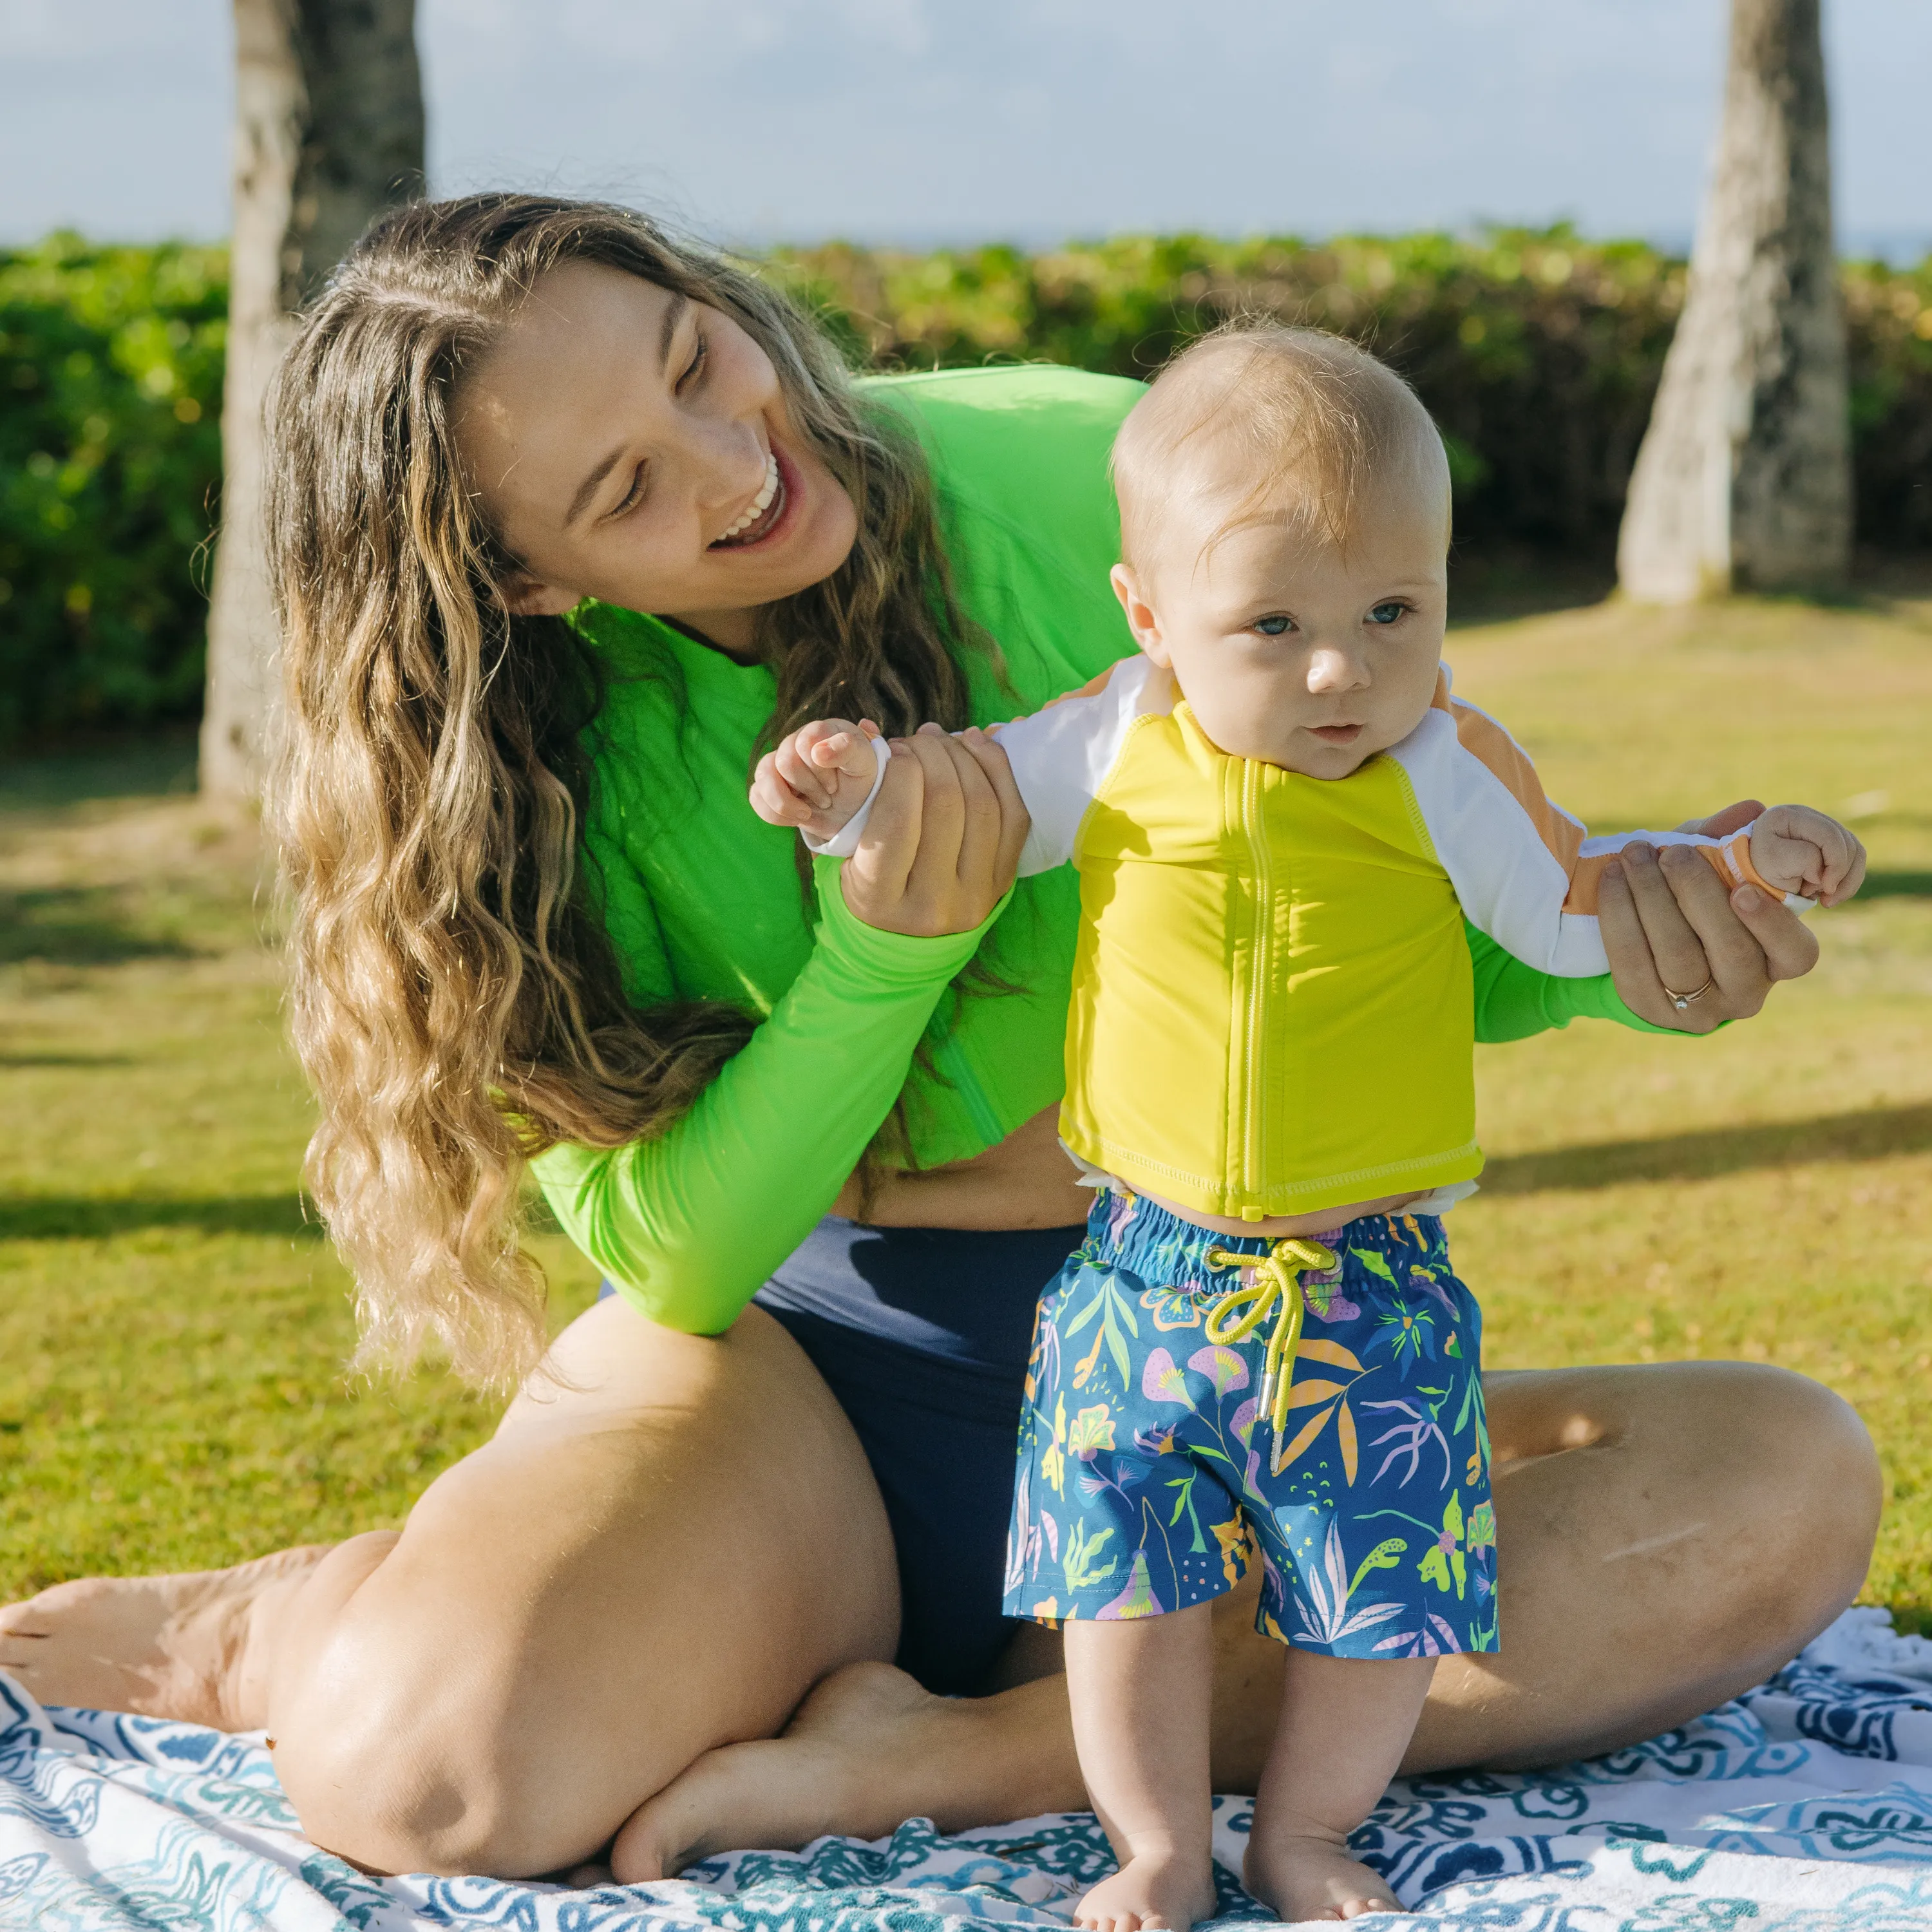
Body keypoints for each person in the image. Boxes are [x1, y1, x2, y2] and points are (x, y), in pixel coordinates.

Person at [0, 197, 1877, 1891]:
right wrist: (882, 959)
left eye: (699, 364)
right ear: (525, 582)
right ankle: (300, 1620)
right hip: (821, 1385)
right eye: (628, 489)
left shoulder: (1094, 470)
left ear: (712, 293)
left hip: (1254, 1352)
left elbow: (1422, 906)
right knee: (428, 1783)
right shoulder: (516, 782)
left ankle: (975, 1747)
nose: (742, 465)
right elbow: (673, 1255)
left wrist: (1633, 942)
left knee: (1780, 1484)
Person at [750, 325, 1864, 1927]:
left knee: (1377, 1601)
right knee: (1128, 1589)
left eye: (1392, 614)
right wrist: (852, 792)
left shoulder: (1445, 768)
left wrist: (1731, 867)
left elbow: (1571, 914)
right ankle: (1149, 1842)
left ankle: (1308, 1835)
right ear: (1153, 617)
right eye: (1273, 624)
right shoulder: (1119, 736)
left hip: (1368, 1288)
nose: (1342, 670)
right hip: (1145, 1278)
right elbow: (964, 799)